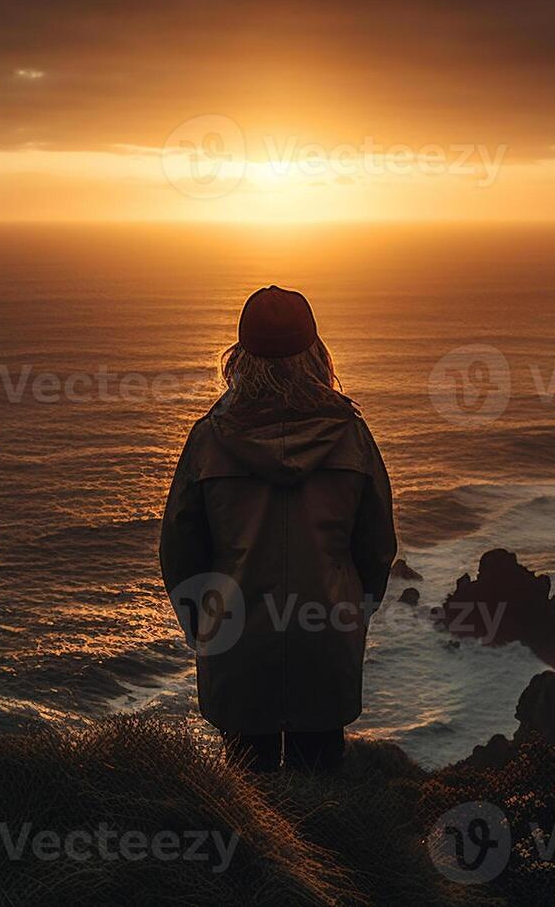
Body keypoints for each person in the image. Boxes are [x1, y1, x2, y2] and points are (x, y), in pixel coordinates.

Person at [159, 285, 397, 773]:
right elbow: (377, 546)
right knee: (322, 791)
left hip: (236, 638)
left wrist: (201, 624)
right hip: (326, 633)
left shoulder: (209, 439)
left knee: (252, 797)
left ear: (240, 358)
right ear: (316, 355)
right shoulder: (350, 436)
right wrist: (355, 611)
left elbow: (180, 551)